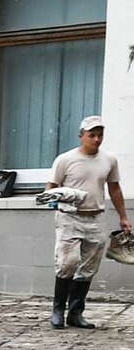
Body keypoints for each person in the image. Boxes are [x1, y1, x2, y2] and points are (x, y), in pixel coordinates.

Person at [45, 115, 129, 329]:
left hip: (95, 216)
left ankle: (75, 313)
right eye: (92, 135)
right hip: (70, 216)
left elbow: (114, 188)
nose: (97, 139)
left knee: (89, 266)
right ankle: (57, 311)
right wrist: (58, 198)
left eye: (100, 135)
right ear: (81, 136)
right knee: (67, 263)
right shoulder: (65, 160)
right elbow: (50, 188)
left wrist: (123, 216)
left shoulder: (109, 159)